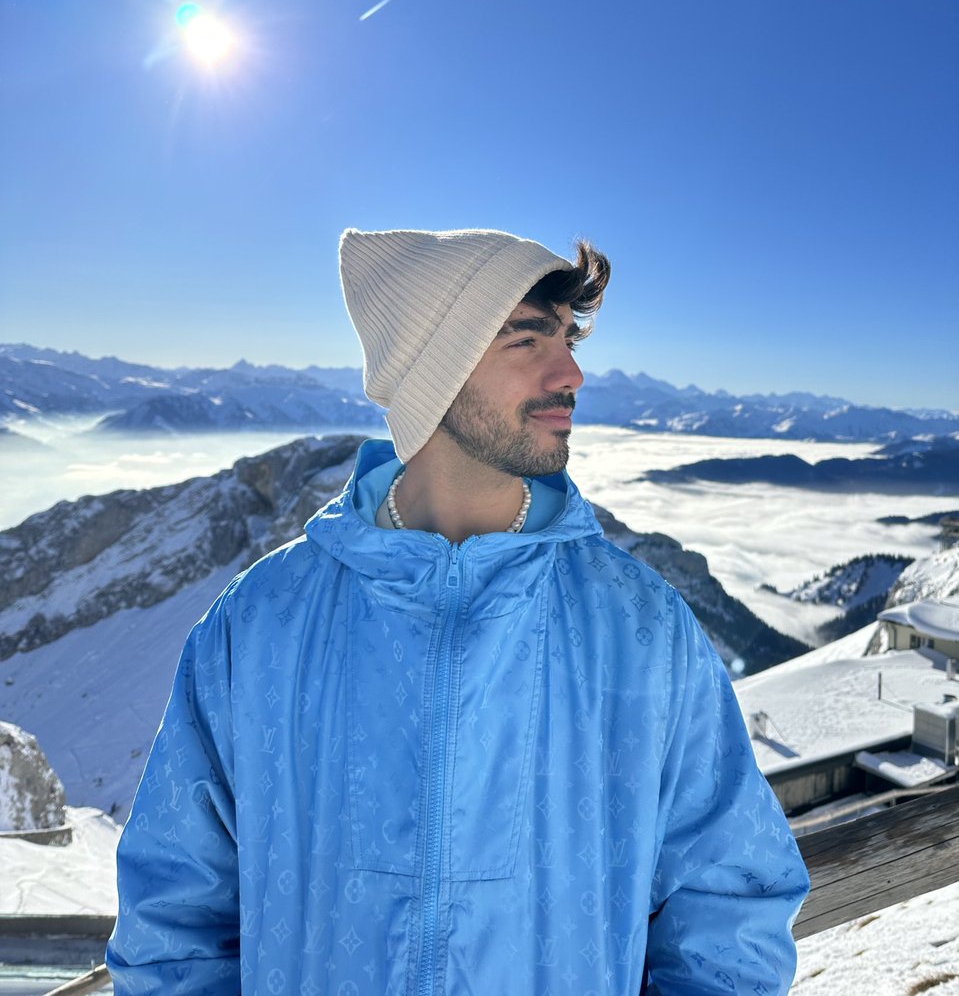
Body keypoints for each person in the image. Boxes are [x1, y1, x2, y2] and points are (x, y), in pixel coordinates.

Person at [107, 227, 809, 995]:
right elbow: (173, 920)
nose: (571, 373)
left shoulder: (640, 627)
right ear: (430, 371)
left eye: (568, 339)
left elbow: (729, 910)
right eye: (526, 339)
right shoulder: (260, 622)